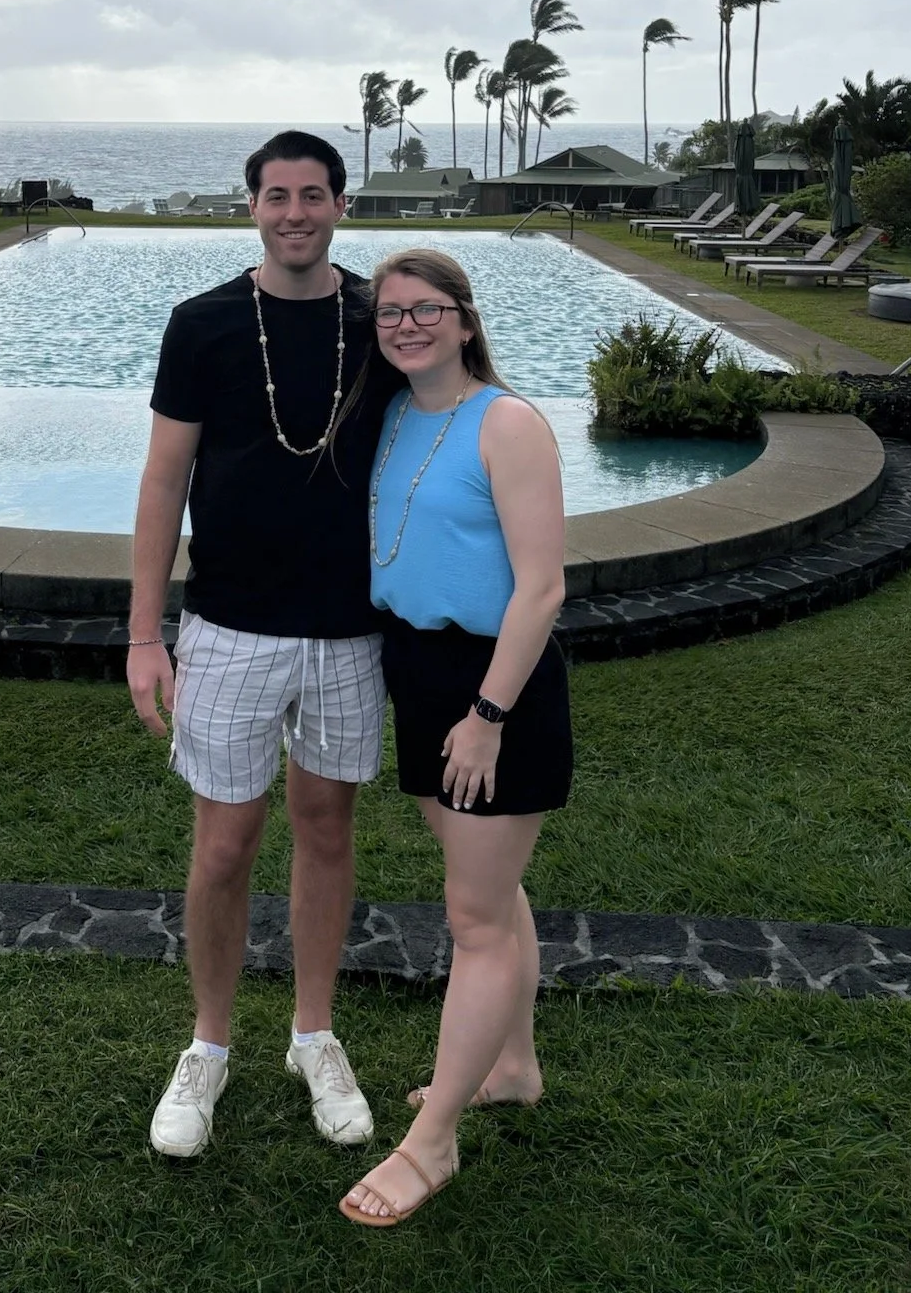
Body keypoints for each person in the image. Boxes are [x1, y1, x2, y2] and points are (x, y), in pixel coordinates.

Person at [127, 129, 394, 1158]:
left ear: (339, 204)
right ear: (251, 205)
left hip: (346, 627)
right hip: (230, 624)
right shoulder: (201, 325)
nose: (295, 211)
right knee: (226, 842)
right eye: (277, 194)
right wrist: (147, 630)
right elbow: (162, 480)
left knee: (326, 827)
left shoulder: (378, 317)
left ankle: (313, 1033)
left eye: (313, 194)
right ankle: (208, 1044)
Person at [339, 248, 572, 1229]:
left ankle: (432, 1137)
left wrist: (486, 716)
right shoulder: (394, 413)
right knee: (490, 889)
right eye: (390, 312)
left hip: (492, 684)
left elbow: (543, 586)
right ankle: (511, 1065)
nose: (406, 325)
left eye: (425, 309)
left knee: (473, 916)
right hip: (419, 669)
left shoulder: (507, 422)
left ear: (465, 320)